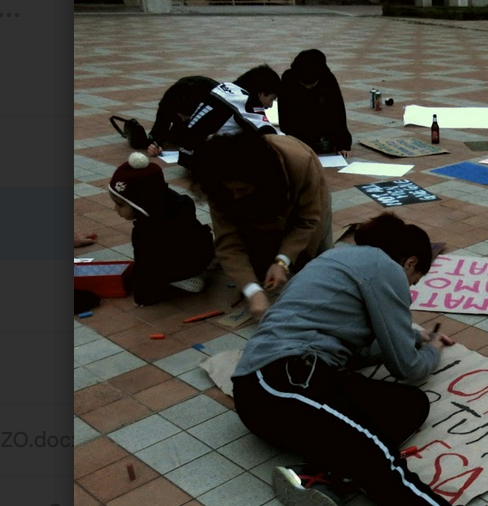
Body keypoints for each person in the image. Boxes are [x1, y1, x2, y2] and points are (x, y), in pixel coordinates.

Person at [229, 213, 488, 506]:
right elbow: (406, 367)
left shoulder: (337, 259)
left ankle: (319, 477)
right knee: (378, 456)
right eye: (414, 282)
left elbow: (361, 348)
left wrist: (411, 336)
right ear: (409, 262)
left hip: (295, 384)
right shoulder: (381, 266)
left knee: (408, 406)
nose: (408, 292)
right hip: (279, 380)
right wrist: (431, 350)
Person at [190, 131, 333, 318]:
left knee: (316, 265)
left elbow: (307, 222)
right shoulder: (217, 180)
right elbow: (228, 242)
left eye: (242, 189)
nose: (236, 196)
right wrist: (252, 290)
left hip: (304, 201)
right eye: (230, 191)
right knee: (260, 266)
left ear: (260, 180)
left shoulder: (299, 162)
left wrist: (282, 260)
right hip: (263, 205)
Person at [107, 152, 215, 305]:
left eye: (121, 204)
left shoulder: (145, 231)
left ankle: (186, 280)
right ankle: (198, 271)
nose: (115, 209)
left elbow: (145, 266)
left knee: (154, 272)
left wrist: (142, 296)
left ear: (141, 203)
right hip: (203, 254)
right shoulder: (176, 202)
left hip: (182, 266)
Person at [146, 65, 282, 165]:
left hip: (187, 155)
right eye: (272, 99)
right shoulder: (244, 100)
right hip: (201, 162)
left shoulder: (225, 88)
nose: (270, 105)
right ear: (261, 93)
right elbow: (268, 134)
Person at [279, 50, 355, 159]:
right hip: (298, 127)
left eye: (312, 84)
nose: (308, 87)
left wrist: (343, 145)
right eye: (304, 84)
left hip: (322, 127)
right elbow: (285, 114)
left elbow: (337, 112)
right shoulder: (288, 78)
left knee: (324, 146)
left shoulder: (327, 79)